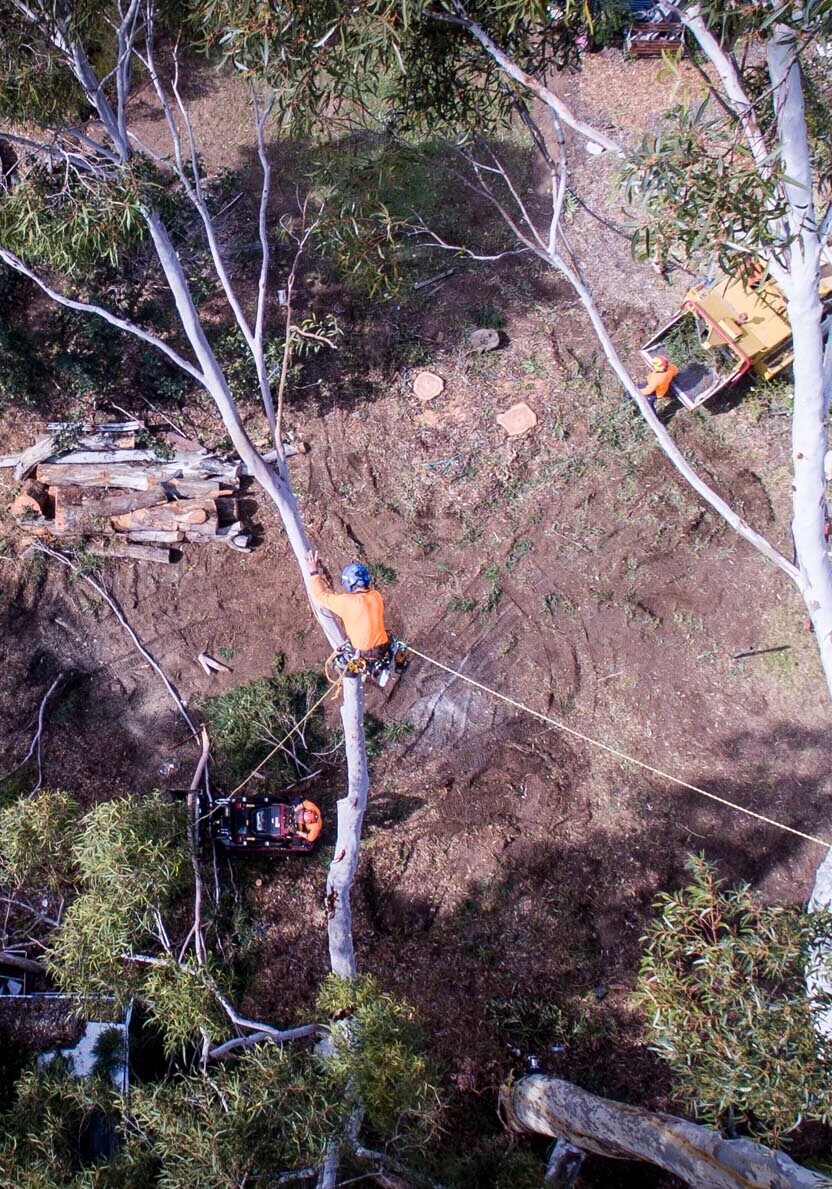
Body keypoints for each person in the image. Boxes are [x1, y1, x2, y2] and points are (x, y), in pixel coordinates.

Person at [305, 549, 390, 662]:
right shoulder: (376, 596)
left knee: (340, 663)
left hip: (364, 654)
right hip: (383, 648)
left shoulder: (346, 602)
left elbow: (321, 595)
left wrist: (313, 571)